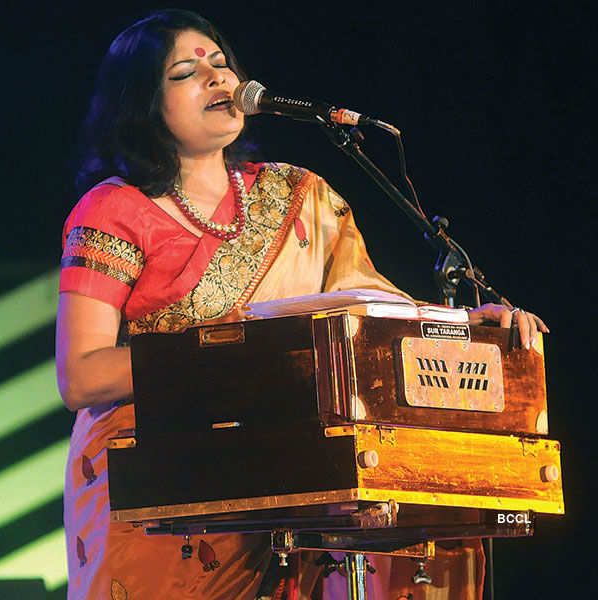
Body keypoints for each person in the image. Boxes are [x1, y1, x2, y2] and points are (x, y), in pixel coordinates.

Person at [56, 8, 548, 600]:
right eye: (186, 72)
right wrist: (237, 358)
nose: (217, 78)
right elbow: (81, 377)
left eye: (221, 63)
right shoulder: (113, 210)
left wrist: (465, 325)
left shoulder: (302, 196)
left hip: (298, 489)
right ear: (140, 102)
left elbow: (371, 313)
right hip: (160, 494)